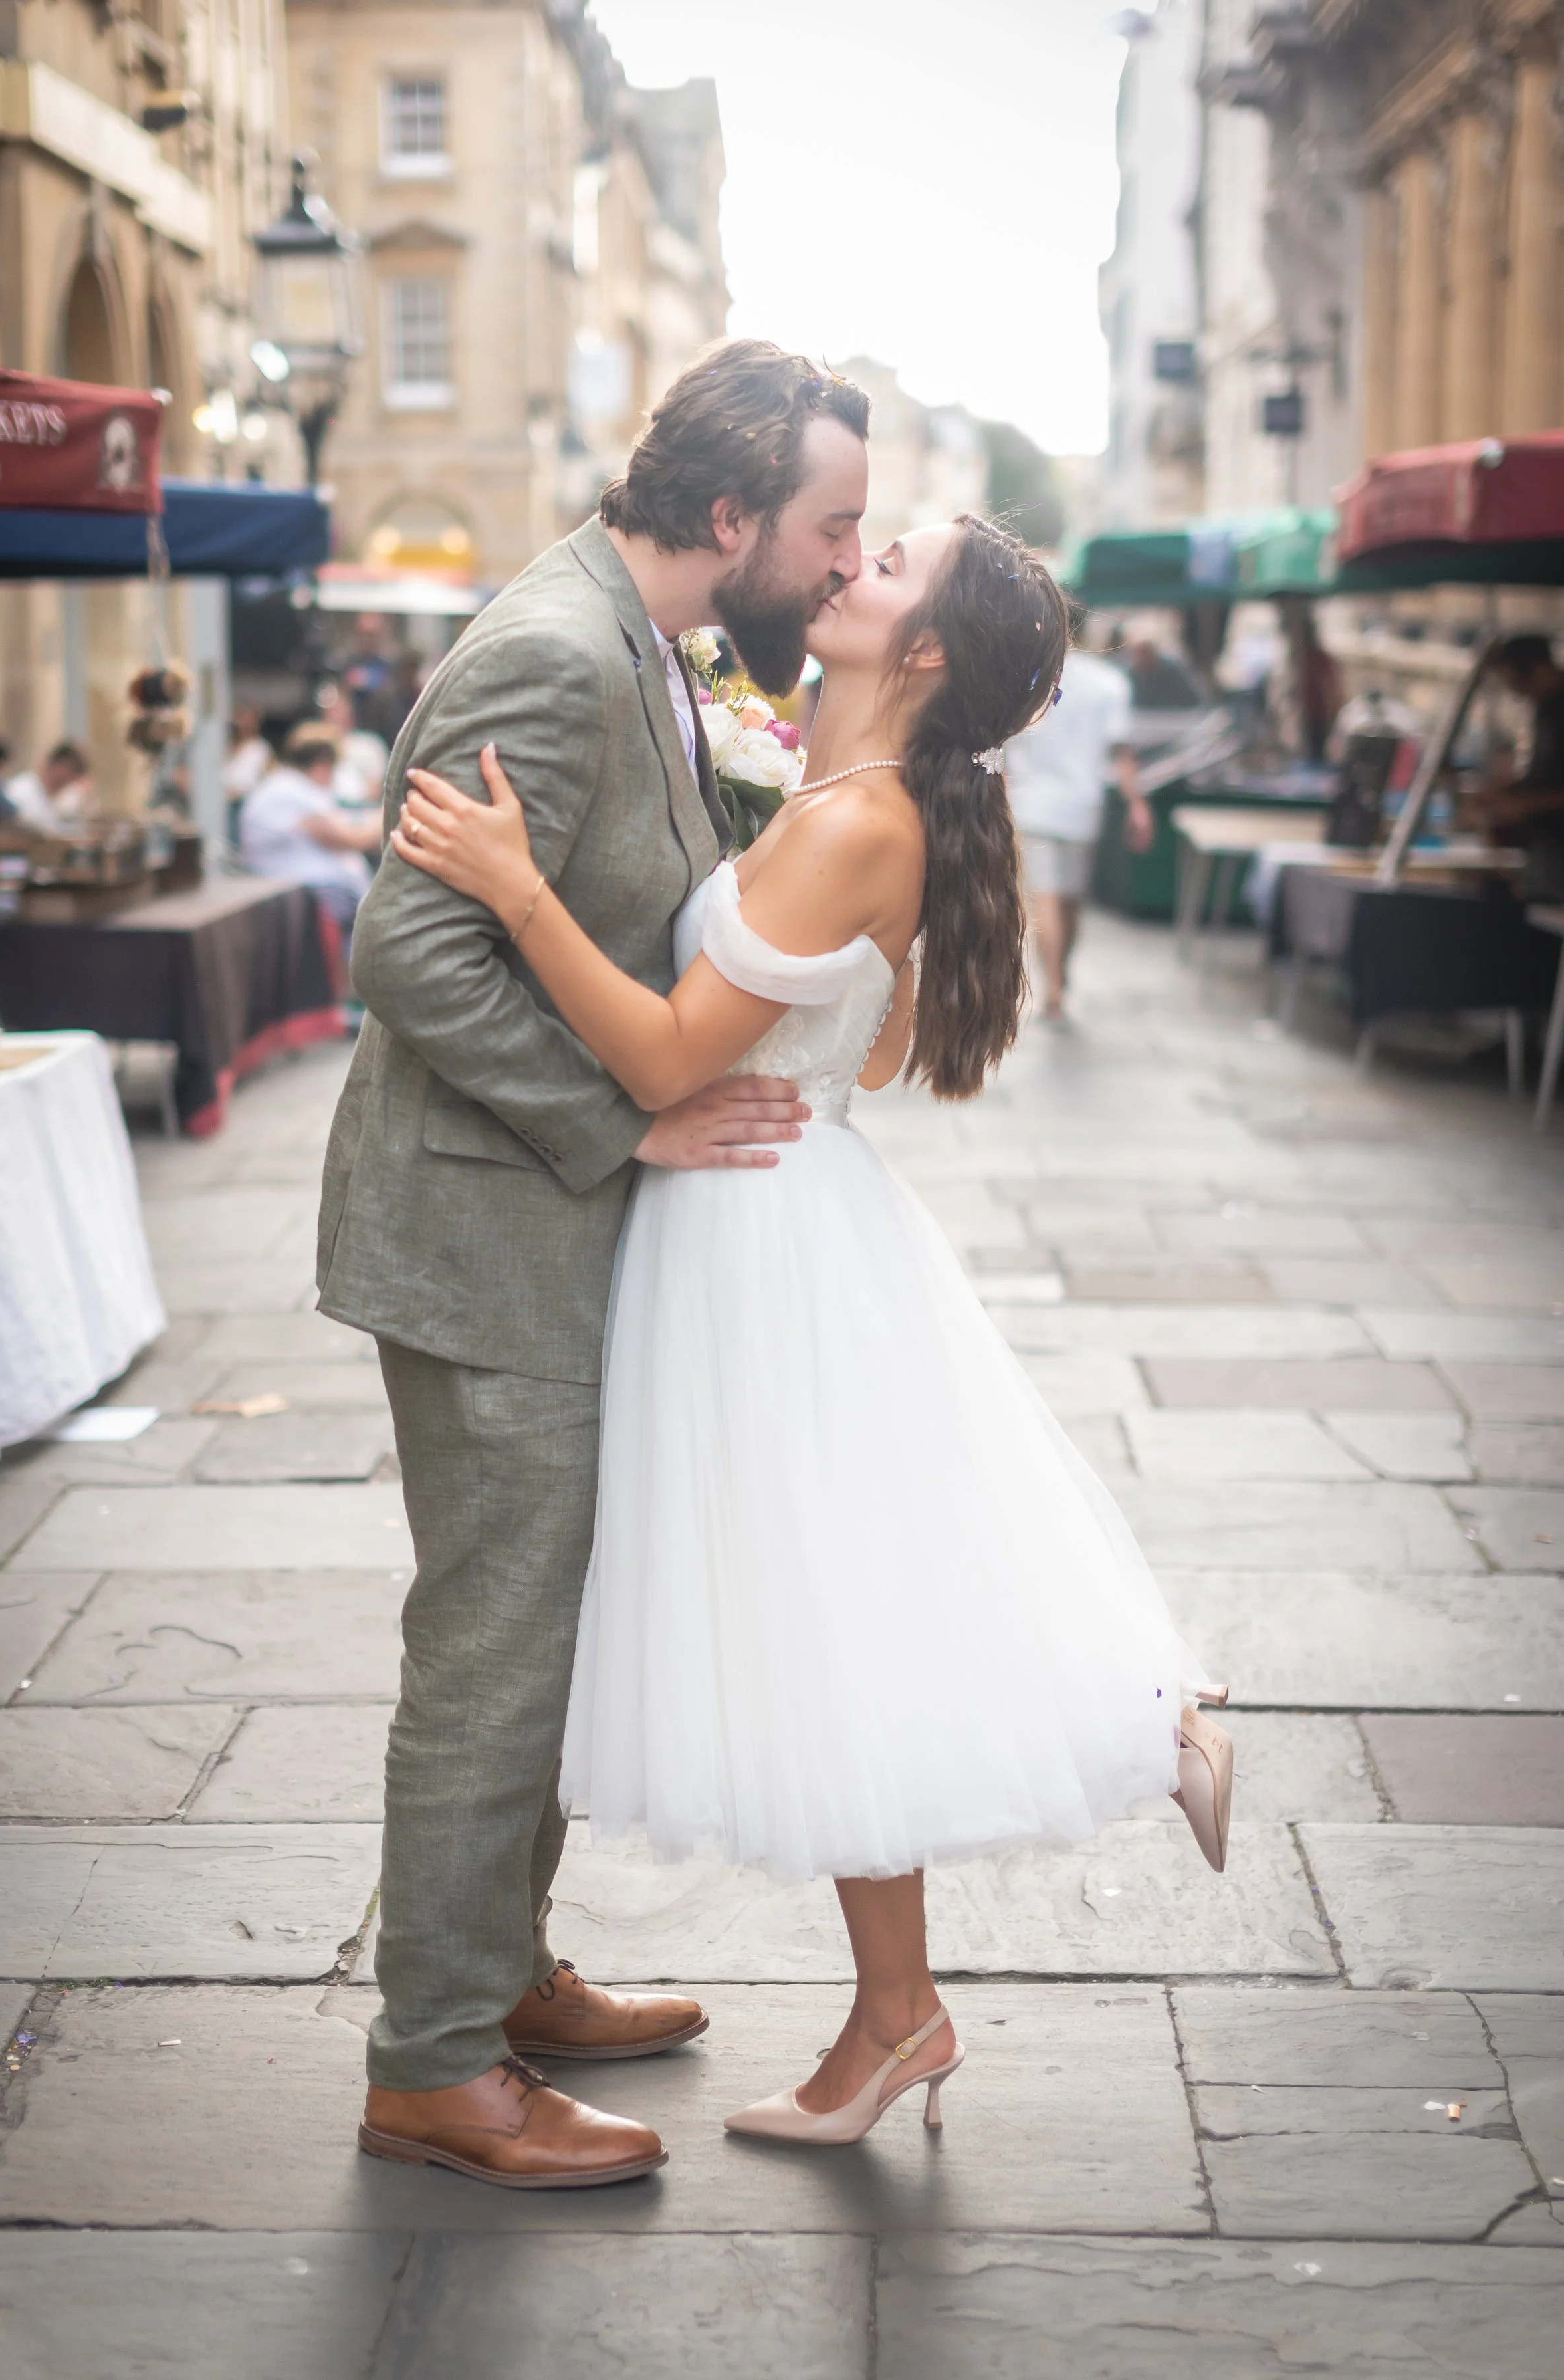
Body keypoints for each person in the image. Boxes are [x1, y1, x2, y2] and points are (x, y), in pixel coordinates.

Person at [391, 511, 1232, 2158]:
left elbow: (658, 1058)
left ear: (920, 652)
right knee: (841, 1614)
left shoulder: (857, 823)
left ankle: (1083, 1797)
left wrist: (513, 886)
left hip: (758, 1240)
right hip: (780, 1221)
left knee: (834, 1616)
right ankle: (909, 1998)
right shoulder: (860, 802)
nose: (850, 561)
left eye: (889, 560)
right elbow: (856, 1050)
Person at [318, 338, 873, 2191]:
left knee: (539, 1634)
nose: (844, 562)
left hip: (531, 1232)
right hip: (483, 1233)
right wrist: (623, 1123)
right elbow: (408, 958)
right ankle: (432, 2064)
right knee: (492, 1646)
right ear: (731, 519)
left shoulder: (650, 642)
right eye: (832, 527)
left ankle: (498, 1971)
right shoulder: (555, 653)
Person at [1004, 644, 1154, 1025]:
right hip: (1083, 806)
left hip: (1032, 803)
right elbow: (1121, 752)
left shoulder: (1025, 676)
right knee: (1069, 899)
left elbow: (1004, 743)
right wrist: (1136, 803)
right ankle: (1058, 981)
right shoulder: (1110, 682)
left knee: (1048, 899)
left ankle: (1055, 985)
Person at [239, 725, 381, 935]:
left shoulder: (287, 785)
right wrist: (392, 810)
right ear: (322, 766)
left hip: (300, 895)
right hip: (304, 897)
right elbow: (353, 839)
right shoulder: (289, 789)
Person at [1466, 634, 1564, 898]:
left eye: (1519, 686)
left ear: (1539, 668)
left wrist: (1522, 803)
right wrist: (1509, 793)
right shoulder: (1546, 709)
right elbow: (1549, 777)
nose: (1518, 695)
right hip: (1545, 852)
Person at [6, 741, 94, 833]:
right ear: (54, 764)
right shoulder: (20, 790)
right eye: (70, 770)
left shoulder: (71, 796)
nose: (70, 778)